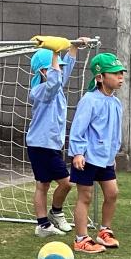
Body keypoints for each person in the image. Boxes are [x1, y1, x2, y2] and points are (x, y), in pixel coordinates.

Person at [26, 38, 89, 237]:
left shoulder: (56, 87)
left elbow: (63, 72)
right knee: (66, 182)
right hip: (40, 145)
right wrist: (54, 52)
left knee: (43, 184)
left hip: (50, 144)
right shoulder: (40, 91)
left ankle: (43, 224)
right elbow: (54, 82)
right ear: (43, 72)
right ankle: (55, 213)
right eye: (56, 67)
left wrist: (73, 47)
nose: (60, 70)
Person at [68, 52, 127, 254]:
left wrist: (113, 155)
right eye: (115, 73)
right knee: (85, 196)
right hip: (87, 158)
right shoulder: (89, 100)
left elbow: (115, 132)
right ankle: (81, 239)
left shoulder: (116, 103)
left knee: (112, 193)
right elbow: (78, 128)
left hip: (105, 159)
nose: (120, 77)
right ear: (100, 77)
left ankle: (105, 231)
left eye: (121, 73)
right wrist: (78, 153)